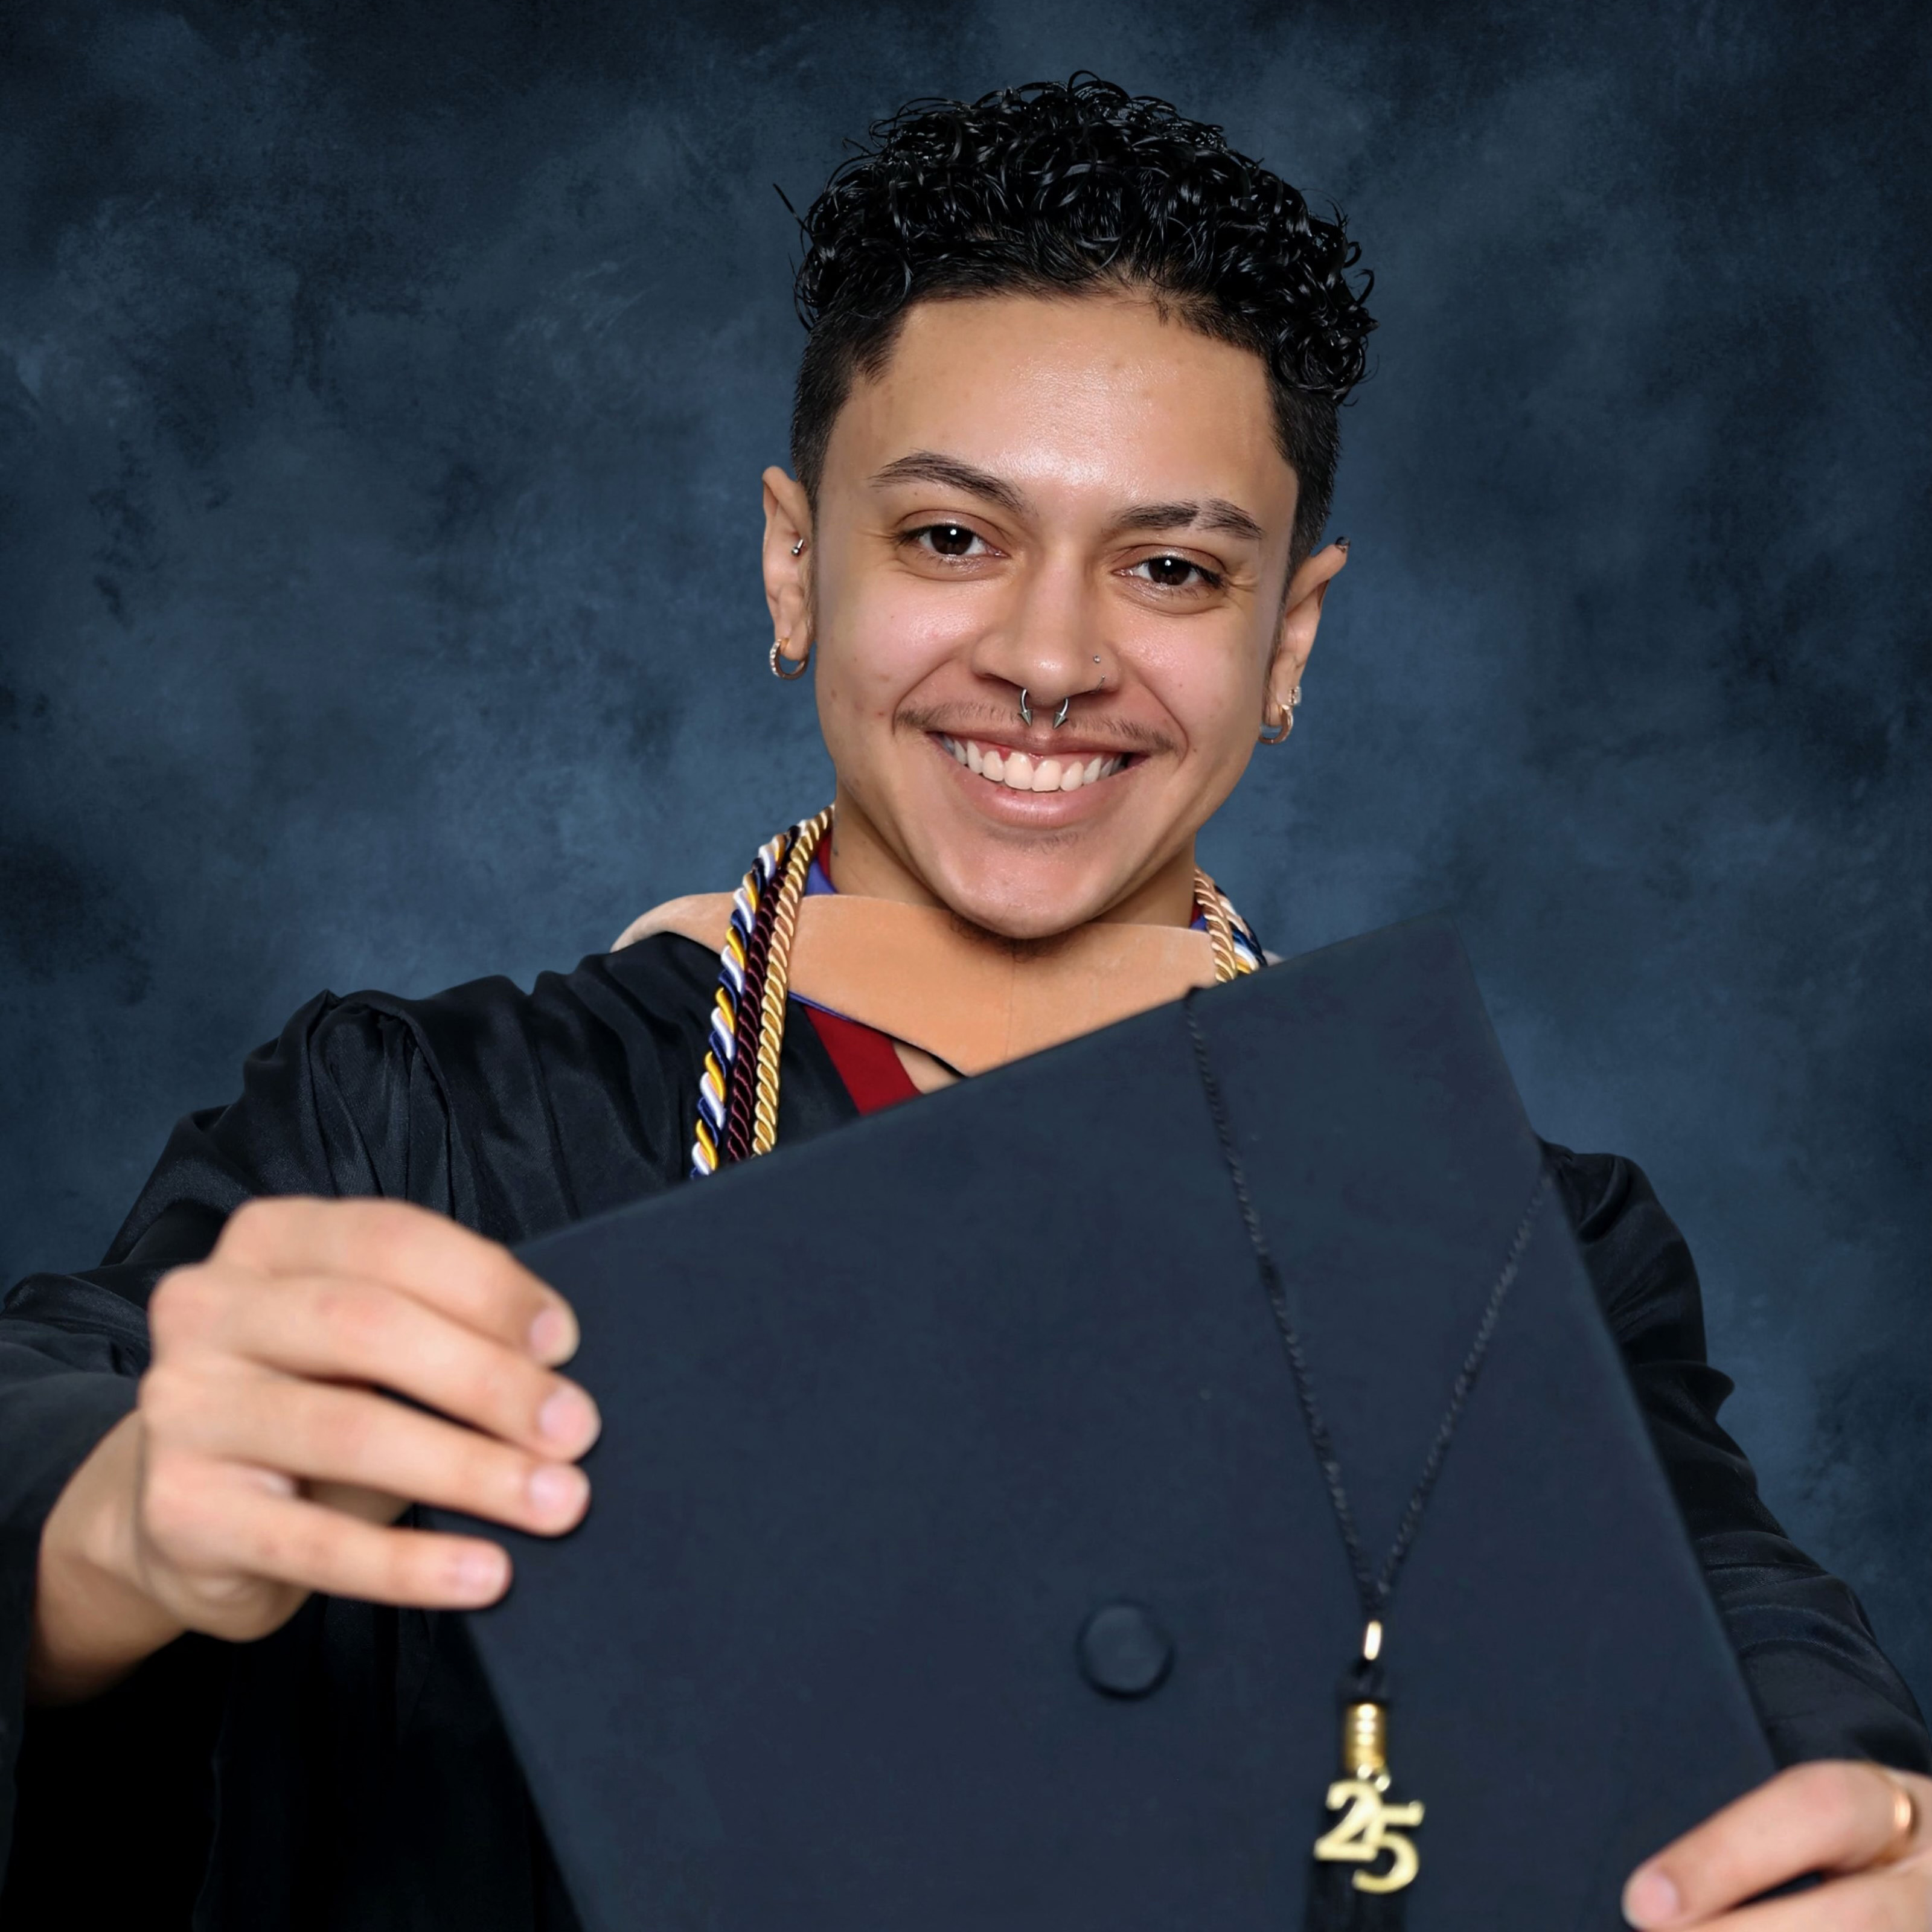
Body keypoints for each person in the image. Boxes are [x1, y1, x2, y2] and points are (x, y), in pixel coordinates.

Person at [1, 76, 1924, 1932]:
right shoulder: (431, 1129)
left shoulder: (1496, 1231)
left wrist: (1851, 1816)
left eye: (1170, 567)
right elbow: (49, 1414)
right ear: (791, 561)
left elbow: (1743, 1624)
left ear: (1291, 640)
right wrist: (121, 1522)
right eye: (949, 537)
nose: (1049, 657)